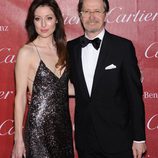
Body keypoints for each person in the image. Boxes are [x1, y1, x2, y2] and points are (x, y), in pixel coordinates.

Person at [67, 0, 147, 158]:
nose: (91, 16)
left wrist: (139, 138)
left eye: (97, 11)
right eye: (87, 11)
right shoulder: (71, 48)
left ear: (105, 15)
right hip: (85, 141)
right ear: (80, 15)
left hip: (119, 139)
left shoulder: (123, 47)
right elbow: (70, 86)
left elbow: (134, 96)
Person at [12, 0, 74, 158]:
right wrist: (18, 139)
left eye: (49, 18)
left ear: (57, 19)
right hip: (37, 131)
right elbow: (20, 97)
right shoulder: (27, 52)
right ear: (32, 22)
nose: (43, 24)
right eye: (38, 19)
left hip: (63, 129)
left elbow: (66, 88)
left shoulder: (65, 50)